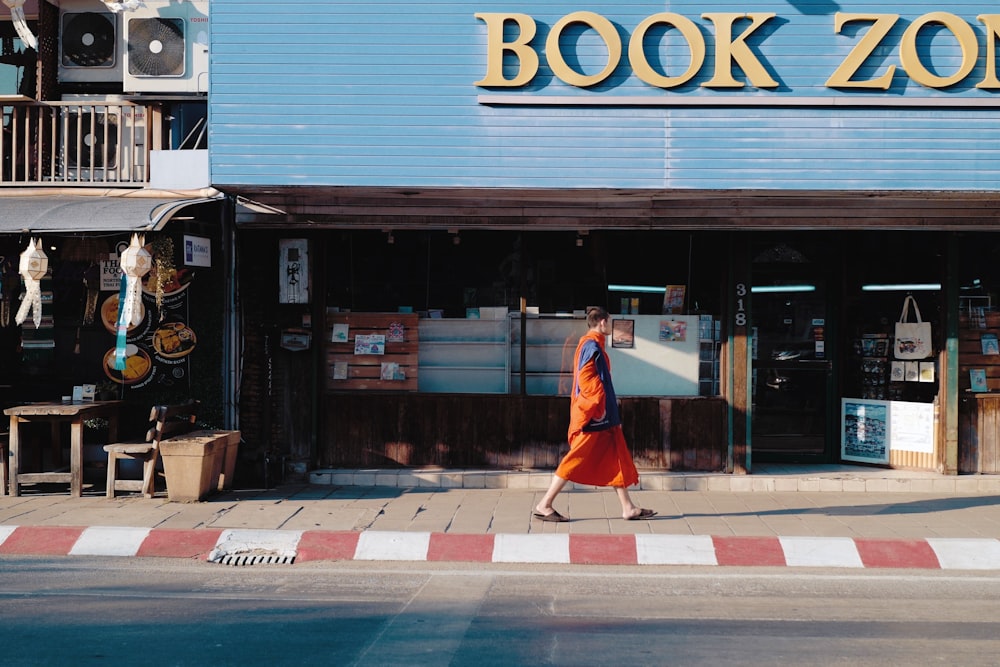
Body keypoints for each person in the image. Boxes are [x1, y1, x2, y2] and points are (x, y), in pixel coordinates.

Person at [534, 305, 657, 522]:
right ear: (602, 322)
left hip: (602, 416)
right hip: (594, 416)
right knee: (575, 457)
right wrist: (600, 409)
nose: (610, 326)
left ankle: (628, 507)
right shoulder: (592, 347)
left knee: (614, 456)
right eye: (609, 322)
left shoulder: (591, 346)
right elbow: (588, 382)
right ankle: (545, 504)